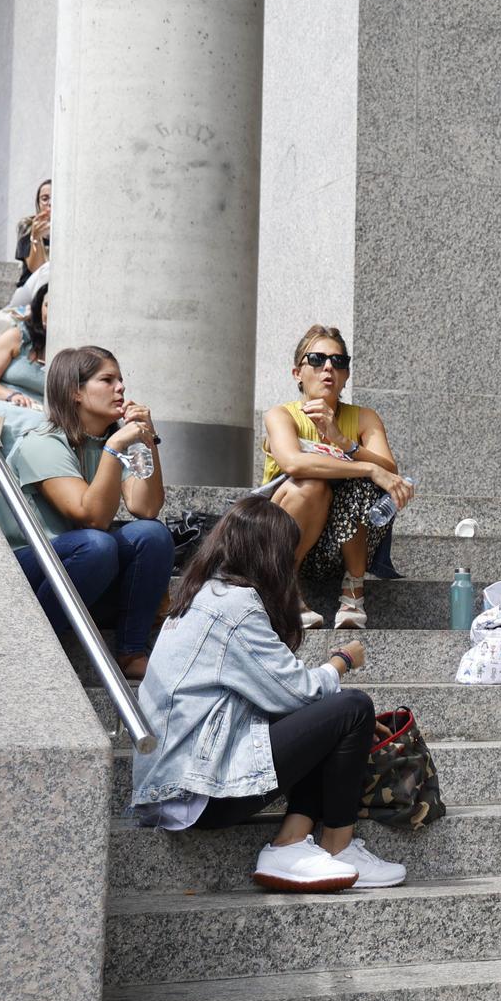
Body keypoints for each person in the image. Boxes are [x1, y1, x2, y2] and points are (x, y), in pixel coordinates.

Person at [128, 496, 404, 893]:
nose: (293, 564)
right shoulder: (234, 605)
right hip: (197, 791)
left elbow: (280, 698)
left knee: (334, 715)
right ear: (270, 554)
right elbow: (297, 692)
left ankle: (291, 843)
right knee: (353, 706)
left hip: (176, 786)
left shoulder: (203, 597)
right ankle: (337, 846)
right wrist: (343, 659)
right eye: (290, 552)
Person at [0, 345, 171, 679]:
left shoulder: (109, 441)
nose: (120, 388)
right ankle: (42, 644)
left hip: (87, 567)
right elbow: (90, 516)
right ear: (76, 391)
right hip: (29, 568)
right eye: (107, 380)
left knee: (152, 534)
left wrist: (147, 441)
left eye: (121, 380)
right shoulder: (43, 441)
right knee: (97, 544)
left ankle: (132, 651)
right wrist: (115, 447)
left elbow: (145, 507)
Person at [263, 325, 412, 630]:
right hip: (287, 542)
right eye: (316, 359)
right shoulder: (281, 416)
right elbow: (293, 463)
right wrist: (368, 467)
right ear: (297, 373)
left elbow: (389, 471)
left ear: (345, 376)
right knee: (312, 485)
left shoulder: (363, 418)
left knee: (359, 486)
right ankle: (285, 588)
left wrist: (343, 441)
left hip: (344, 546)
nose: (328, 367)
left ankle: (353, 591)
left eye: (338, 361)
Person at [0, 284, 49, 455]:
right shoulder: (18, 336)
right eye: (47, 305)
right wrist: (11, 395)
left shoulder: (74, 349)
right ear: (39, 307)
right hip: (7, 404)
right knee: (41, 428)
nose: (51, 312)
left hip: (46, 413)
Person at [14, 178, 51, 285]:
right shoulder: (27, 225)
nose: (50, 203)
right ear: (38, 203)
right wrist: (36, 237)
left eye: (54, 198)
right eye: (45, 199)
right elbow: (36, 269)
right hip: (31, 288)